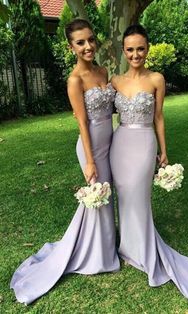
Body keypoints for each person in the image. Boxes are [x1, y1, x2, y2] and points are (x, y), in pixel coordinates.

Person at [10, 19, 120, 305]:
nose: (88, 46)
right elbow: (82, 122)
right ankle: (98, 256)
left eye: (90, 40)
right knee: (100, 197)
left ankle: (105, 248)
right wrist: (90, 161)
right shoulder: (75, 80)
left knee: (106, 198)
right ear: (71, 47)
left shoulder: (102, 71)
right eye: (80, 42)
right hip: (91, 145)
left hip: (109, 142)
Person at [109, 24, 188, 308]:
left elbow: (158, 118)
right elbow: (98, 109)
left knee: (140, 197)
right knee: (124, 195)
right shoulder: (115, 81)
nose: (135, 54)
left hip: (144, 143)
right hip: (120, 144)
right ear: (124, 50)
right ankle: (126, 247)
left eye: (140, 48)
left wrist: (164, 152)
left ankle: (144, 251)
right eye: (130, 49)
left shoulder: (157, 78)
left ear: (148, 48)